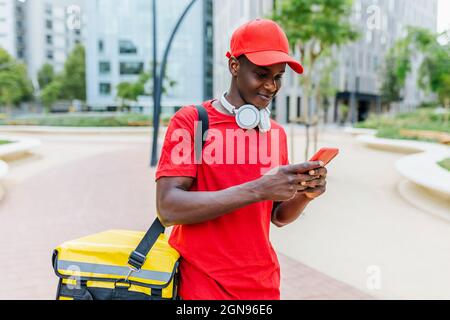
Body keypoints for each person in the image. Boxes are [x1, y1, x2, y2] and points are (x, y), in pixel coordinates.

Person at [155, 19, 327, 300]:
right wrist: (258, 188)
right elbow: (168, 208)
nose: (271, 86)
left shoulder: (275, 134)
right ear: (235, 66)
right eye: (261, 74)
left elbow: (277, 216)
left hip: (263, 288)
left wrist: (306, 195)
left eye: (278, 76)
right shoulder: (192, 122)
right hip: (200, 286)